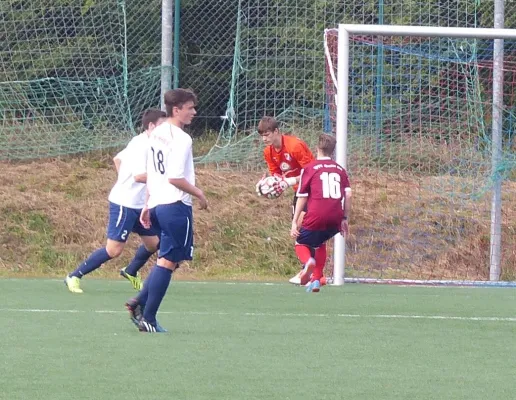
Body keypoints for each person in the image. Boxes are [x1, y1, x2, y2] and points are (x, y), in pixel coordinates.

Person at [125, 88, 208, 333]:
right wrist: (199, 193)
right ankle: (148, 317)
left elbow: (152, 172)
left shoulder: (157, 133)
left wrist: (149, 204)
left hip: (159, 205)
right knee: (170, 261)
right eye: (190, 107)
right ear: (177, 109)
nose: (194, 112)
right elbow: (174, 178)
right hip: (175, 205)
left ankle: (139, 302)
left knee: (167, 259)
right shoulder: (182, 139)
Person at [64, 109, 166, 294]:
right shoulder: (140, 145)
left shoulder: (150, 143)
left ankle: (130, 271)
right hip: (124, 204)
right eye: (162, 126)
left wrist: (123, 178)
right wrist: (165, 178)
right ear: (151, 126)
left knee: (154, 243)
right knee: (114, 250)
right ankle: (74, 276)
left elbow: (117, 158)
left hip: (140, 205)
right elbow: (139, 176)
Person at [257, 116, 315, 285]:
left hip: (314, 189)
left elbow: (312, 172)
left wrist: (290, 181)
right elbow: (277, 174)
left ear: (277, 131)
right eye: (262, 136)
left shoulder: (294, 146)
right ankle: (311, 270)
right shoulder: (268, 152)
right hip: (300, 191)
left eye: (267, 134)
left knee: (301, 229)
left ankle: (310, 270)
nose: (264, 139)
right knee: (300, 229)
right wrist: (268, 185)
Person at [290, 133, 351, 292]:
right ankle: (316, 280)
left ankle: (308, 262)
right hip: (336, 217)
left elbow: (302, 197)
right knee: (320, 242)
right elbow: (348, 195)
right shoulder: (340, 170)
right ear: (333, 151)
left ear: (317, 148)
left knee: (300, 242)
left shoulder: (310, 168)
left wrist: (294, 221)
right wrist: (344, 218)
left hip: (317, 214)